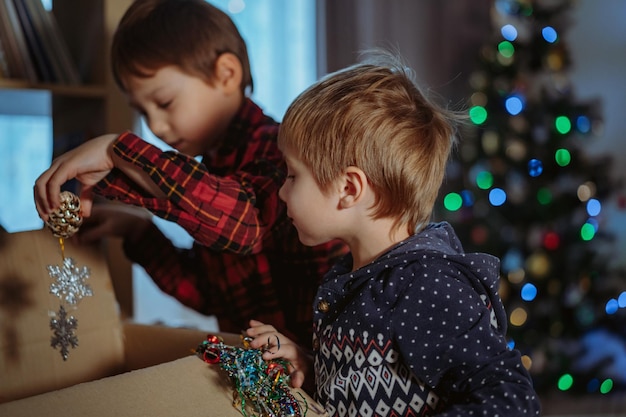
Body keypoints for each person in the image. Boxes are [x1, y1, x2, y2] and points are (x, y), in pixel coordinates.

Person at [33, 0, 347, 347]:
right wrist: (138, 232)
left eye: (164, 103)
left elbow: (246, 224)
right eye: (142, 111)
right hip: (263, 377)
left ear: (226, 74)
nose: (155, 126)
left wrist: (117, 150)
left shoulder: (279, 151)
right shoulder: (206, 177)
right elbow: (208, 294)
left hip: (321, 378)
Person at [245, 50, 541, 416]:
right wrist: (308, 365)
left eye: (292, 175)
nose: (281, 191)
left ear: (349, 189)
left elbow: (512, 399)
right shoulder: (356, 276)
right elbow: (369, 386)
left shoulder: (427, 285)